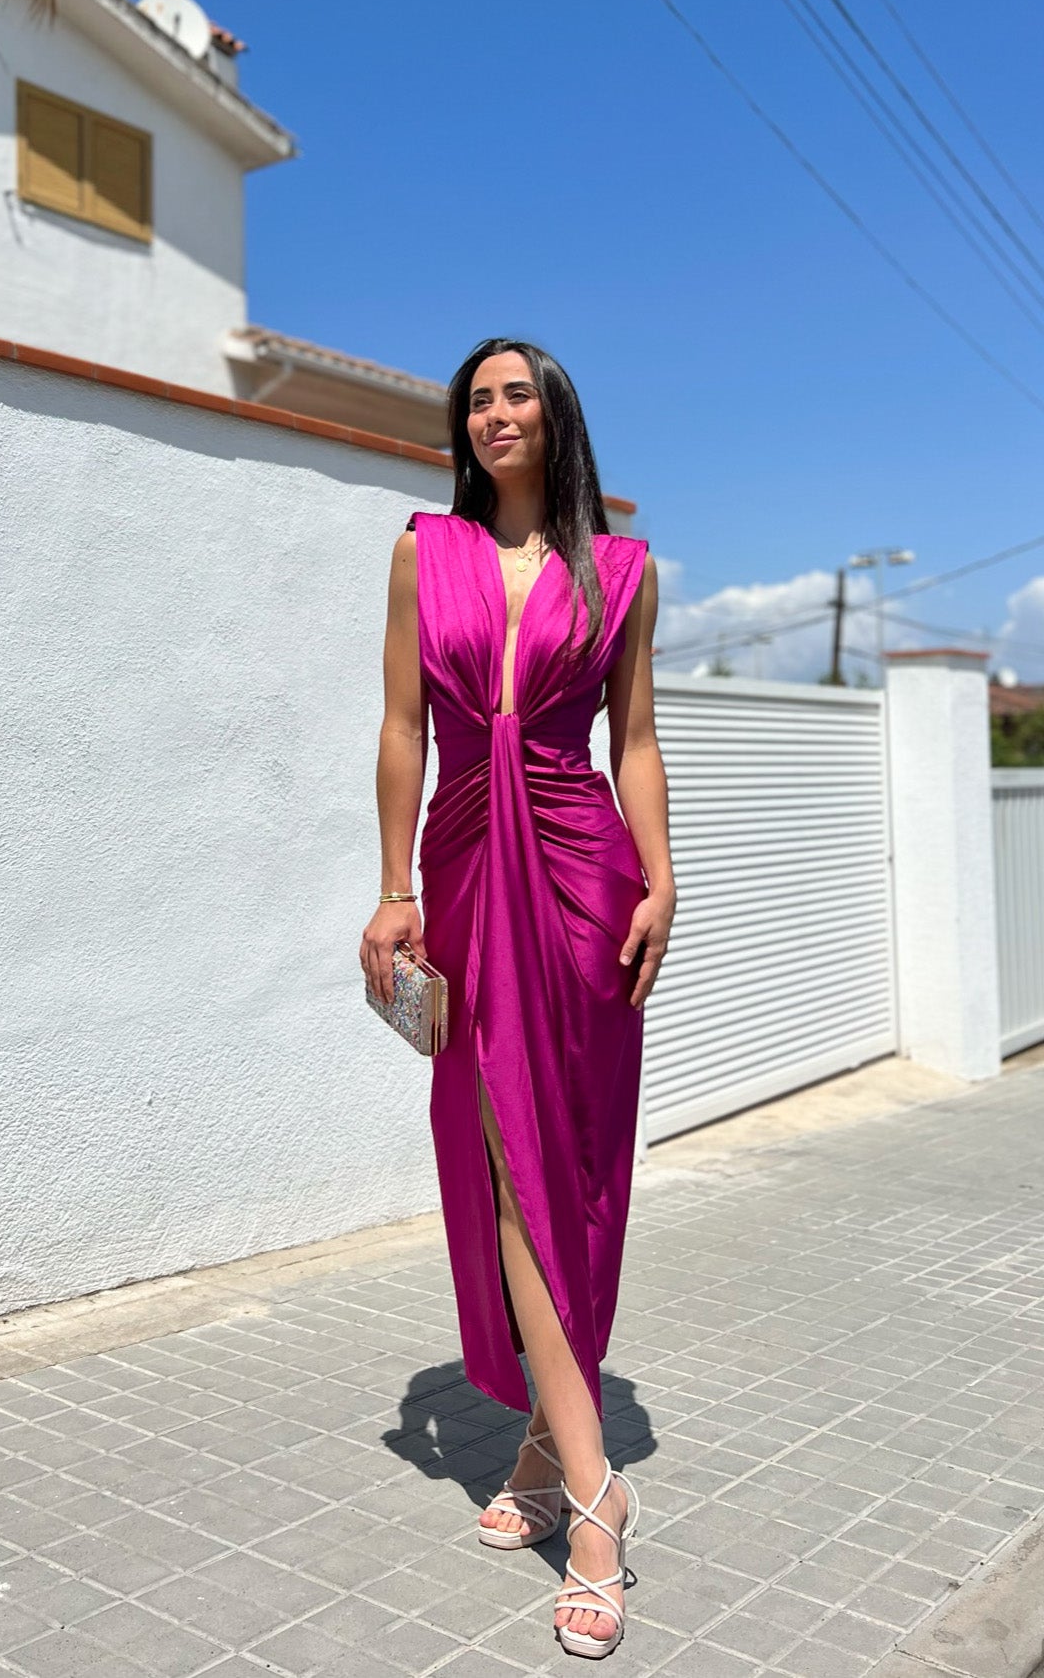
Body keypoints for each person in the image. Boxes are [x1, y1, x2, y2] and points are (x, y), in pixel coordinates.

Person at [362, 337, 675, 1659]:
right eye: (478, 398)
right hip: (468, 862)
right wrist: (392, 887)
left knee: (578, 1161)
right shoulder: (418, 551)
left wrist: (663, 878)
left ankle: (560, 1466)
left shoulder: (622, 571)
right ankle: (599, 1496)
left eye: (516, 393)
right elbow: (401, 731)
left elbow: (637, 736)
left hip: (586, 867)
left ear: (556, 415)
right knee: (498, 1157)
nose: (495, 412)